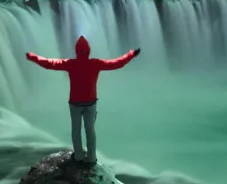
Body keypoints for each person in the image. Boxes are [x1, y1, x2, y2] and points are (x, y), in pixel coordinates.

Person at [25, 36, 140, 165]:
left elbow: (48, 63)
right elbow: (116, 63)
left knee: (76, 130)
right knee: (90, 131)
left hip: (75, 104)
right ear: (89, 50)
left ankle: (78, 156)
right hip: (91, 103)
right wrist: (131, 54)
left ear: (76, 51)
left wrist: (32, 57)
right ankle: (91, 158)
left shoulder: (70, 64)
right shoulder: (95, 63)